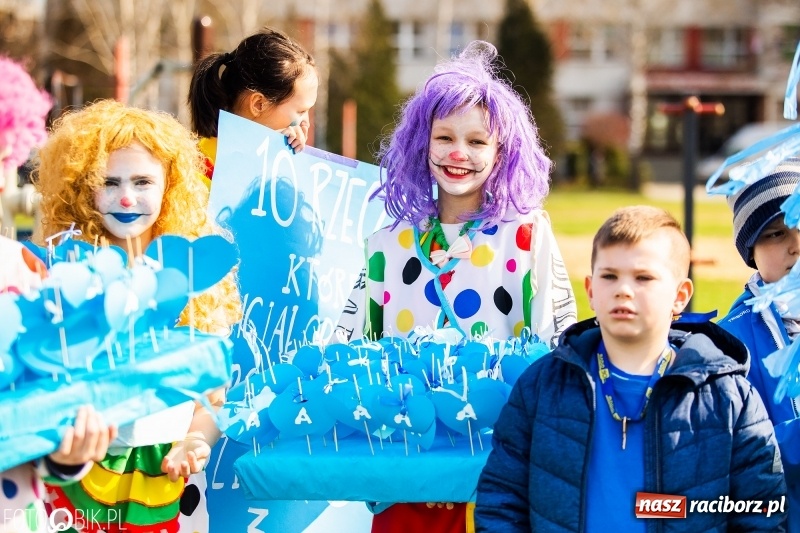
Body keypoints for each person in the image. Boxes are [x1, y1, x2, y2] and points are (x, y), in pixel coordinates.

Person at [335, 41, 577, 532]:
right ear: (421, 144)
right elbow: (351, 343)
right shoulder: (388, 244)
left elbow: (557, 336)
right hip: (405, 464)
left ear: (502, 152)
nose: (458, 154)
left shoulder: (526, 234)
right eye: (444, 137)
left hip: (495, 471)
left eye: (477, 142)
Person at [475, 205, 787, 532]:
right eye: (609, 276)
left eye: (643, 277)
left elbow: (762, 515)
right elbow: (501, 501)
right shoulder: (541, 387)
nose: (623, 289)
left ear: (680, 296)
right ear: (591, 291)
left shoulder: (729, 399)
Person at [33, 99, 242, 532]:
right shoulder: (62, 275)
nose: (127, 196)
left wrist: (195, 440)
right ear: (82, 188)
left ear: (171, 185)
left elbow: (213, 397)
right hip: (77, 478)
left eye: (143, 180)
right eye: (109, 182)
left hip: (163, 480)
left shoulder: (195, 275)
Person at [718, 158, 800, 533]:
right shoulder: (730, 343)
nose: (795, 245)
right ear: (751, 250)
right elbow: (738, 452)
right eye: (776, 233)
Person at [188, 26, 318, 186]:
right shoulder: (195, 167)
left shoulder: (286, 169)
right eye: (301, 111)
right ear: (258, 104)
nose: (307, 123)